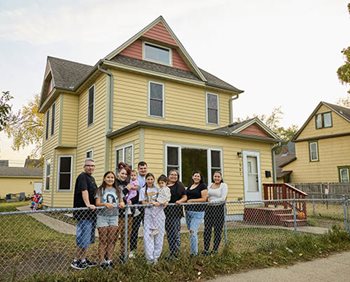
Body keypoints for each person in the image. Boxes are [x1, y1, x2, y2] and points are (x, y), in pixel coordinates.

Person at [71, 158, 98, 270]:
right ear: (84, 167)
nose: (90, 167)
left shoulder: (91, 178)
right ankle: (76, 261)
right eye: (88, 165)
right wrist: (88, 204)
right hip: (83, 213)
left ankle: (83, 259)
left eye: (92, 166)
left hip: (91, 214)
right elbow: (84, 191)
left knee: (87, 239)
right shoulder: (82, 176)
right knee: (83, 238)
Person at [95, 171, 125, 269]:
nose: (110, 179)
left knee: (112, 240)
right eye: (108, 177)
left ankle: (109, 260)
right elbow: (97, 203)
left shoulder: (118, 190)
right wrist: (105, 204)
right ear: (104, 178)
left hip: (114, 216)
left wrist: (122, 204)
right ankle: (102, 261)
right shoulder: (100, 189)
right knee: (103, 240)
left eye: (112, 177)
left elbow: (121, 201)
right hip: (102, 216)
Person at [139, 173, 167, 264]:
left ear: (154, 180)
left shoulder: (158, 189)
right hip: (149, 216)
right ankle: (149, 258)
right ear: (146, 180)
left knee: (159, 236)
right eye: (148, 179)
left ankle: (156, 257)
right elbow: (143, 203)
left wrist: (164, 202)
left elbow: (165, 199)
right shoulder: (143, 190)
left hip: (159, 215)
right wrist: (150, 203)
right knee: (148, 236)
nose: (150, 181)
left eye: (151, 179)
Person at [203, 171, 228, 255]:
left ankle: (215, 249)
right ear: (213, 177)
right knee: (207, 229)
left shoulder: (223, 185)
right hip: (209, 209)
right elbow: (206, 195)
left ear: (221, 178)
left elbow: (223, 198)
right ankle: (206, 249)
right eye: (215, 176)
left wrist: (212, 201)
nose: (216, 178)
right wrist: (207, 199)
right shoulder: (210, 185)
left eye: (218, 176)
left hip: (219, 209)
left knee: (217, 230)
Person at [164, 169, 187, 259]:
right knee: (169, 233)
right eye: (172, 174)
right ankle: (171, 251)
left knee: (175, 233)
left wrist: (179, 201)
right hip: (166, 213)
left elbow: (185, 196)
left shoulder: (180, 185)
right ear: (168, 176)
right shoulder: (164, 185)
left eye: (175, 175)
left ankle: (176, 253)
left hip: (176, 213)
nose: (173, 176)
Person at [185, 170, 208, 256]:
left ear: (200, 177)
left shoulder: (202, 186)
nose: (196, 177)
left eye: (198, 176)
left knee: (193, 231)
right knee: (191, 232)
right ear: (192, 177)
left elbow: (204, 199)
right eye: (195, 176)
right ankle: (193, 250)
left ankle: (194, 254)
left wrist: (192, 200)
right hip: (188, 212)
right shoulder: (190, 186)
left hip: (198, 212)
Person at [116, 167, 137, 262]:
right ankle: (108, 256)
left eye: (125, 174)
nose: (124, 175)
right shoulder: (115, 183)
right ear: (118, 173)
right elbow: (117, 196)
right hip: (118, 214)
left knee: (126, 236)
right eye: (122, 173)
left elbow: (133, 196)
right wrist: (125, 190)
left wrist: (131, 201)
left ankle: (123, 255)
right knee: (114, 236)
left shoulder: (129, 183)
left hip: (128, 214)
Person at [129, 161, 148, 258]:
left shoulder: (149, 178)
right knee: (134, 229)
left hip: (148, 208)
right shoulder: (134, 178)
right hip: (137, 207)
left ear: (146, 168)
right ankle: (133, 250)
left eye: (144, 168)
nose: (143, 170)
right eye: (141, 168)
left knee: (148, 229)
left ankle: (148, 249)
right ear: (138, 168)